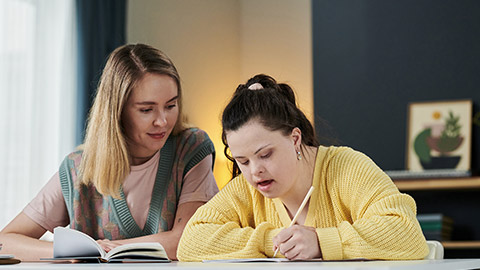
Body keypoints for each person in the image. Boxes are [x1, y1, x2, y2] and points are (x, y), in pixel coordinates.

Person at [0, 44, 218, 261]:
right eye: (146, 109)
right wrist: (69, 252)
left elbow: (186, 239)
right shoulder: (77, 168)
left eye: (171, 105)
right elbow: (5, 242)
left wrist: (107, 248)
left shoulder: (191, 148)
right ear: (117, 111)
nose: (162, 121)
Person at [177, 74, 428, 261]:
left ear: (295, 138)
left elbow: (406, 232)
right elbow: (191, 242)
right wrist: (269, 240)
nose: (255, 172)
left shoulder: (347, 168)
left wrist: (322, 242)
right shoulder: (247, 189)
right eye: (243, 161)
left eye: (265, 154)